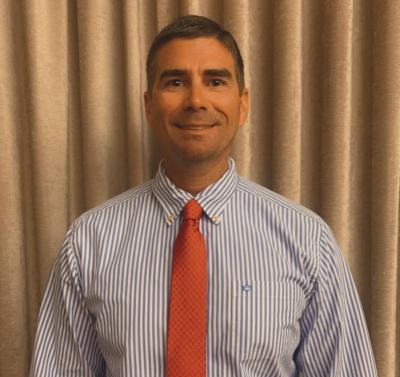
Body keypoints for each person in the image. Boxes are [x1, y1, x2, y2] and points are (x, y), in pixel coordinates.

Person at [30, 15, 378, 376]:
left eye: (215, 81)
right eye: (175, 82)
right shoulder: (88, 242)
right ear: (149, 106)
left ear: (242, 105)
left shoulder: (307, 240)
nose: (196, 100)